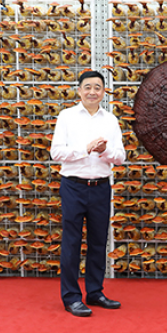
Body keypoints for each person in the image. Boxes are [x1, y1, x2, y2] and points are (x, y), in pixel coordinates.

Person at [50, 70, 126, 317]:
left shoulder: (111, 120)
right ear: (79, 90)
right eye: (88, 87)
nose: (92, 92)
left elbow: (121, 157)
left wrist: (103, 151)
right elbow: (56, 153)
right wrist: (85, 149)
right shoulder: (67, 117)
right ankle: (71, 297)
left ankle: (95, 292)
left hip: (101, 186)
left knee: (98, 241)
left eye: (97, 87)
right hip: (73, 186)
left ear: (104, 91)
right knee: (71, 242)